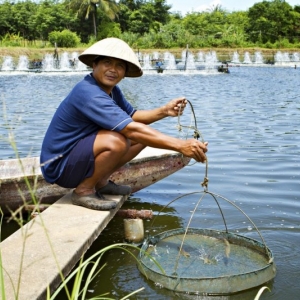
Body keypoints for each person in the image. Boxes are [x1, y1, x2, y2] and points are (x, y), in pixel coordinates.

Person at [40, 37, 208, 211]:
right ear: (94, 65)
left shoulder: (112, 91)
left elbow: (132, 116)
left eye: (120, 66)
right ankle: (84, 190)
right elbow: (130, 128)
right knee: (117, 141)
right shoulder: (88, 92)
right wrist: (180, 145)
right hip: (60, 165)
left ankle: (101, 182)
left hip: (76, 157)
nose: (113, 70)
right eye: (107, 63)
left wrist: (164, 111)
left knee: (143, 138)